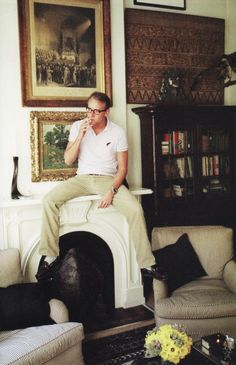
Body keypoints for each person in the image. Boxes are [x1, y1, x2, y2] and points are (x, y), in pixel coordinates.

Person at [36, 91, 167, 282]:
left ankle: (147, 264)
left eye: (96, 111)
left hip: (107, 179)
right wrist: (80, 135)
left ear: (107, 112)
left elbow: (122, 169)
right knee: (49, 200)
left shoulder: (118, 132)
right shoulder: (77, 127)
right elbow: (68, 159)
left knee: (135, 209)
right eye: (88, 109)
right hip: (81, 179)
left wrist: (111, 191)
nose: (91, 115)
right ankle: (50, 255)